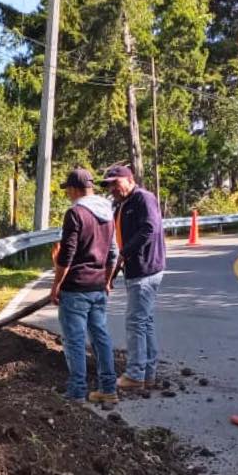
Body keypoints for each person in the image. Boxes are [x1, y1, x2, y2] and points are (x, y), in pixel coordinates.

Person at [51, 167, 118, 404]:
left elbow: (66, 255)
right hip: (98, 286)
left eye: (67, 189)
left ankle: (77, 391)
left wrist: (56, 284)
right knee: (100, 336)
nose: (67, 194)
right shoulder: (107, 212)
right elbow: (112, 253)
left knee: (75, 339)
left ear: (75, 188)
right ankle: (108, 388)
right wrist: (107, 280)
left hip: (76, 287)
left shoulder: (75, 213)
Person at [101, 164, 165, 390]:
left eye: (115, 183)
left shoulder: (143, 198)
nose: (112, 189)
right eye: (109, 186)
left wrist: (124, 253)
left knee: (135, 322)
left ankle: (135, 375)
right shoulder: (122, 204)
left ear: (129, 179)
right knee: (144, 322)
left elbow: (150, 228)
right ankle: (147, 373)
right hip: (135, 269)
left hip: (145, 269)